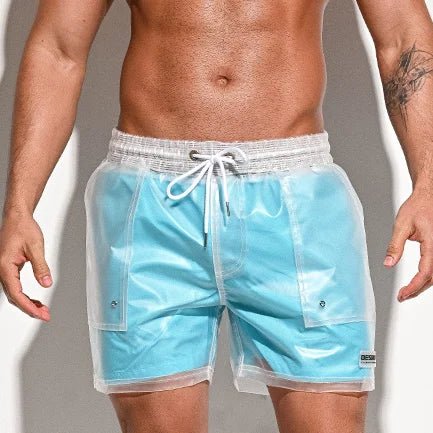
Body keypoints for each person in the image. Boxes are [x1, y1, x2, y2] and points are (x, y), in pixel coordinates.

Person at [1, 1, 433, 432]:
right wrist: (20, 206)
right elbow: (58, 48)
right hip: (150, 205)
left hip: (299, 201)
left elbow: (401, 36)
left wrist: (428, 183)